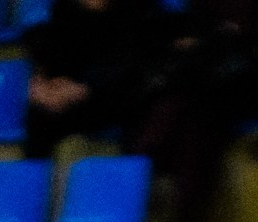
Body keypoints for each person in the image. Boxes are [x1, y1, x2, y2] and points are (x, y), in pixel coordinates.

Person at [133, 0, 258, 222]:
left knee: (191, 101)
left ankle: (146, 155)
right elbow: (195, 33)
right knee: (197, 113)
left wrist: (227, 40)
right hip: (211, 83)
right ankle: (189, 219)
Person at [22, 0, 166, 163]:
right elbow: (51, 49)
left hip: (119, 96)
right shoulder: (66, 9)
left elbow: (134, 66)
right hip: (74, 96)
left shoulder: (141, 10)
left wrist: (86, 88)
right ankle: (31, 180)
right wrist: (44, 84)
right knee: (39, 115)